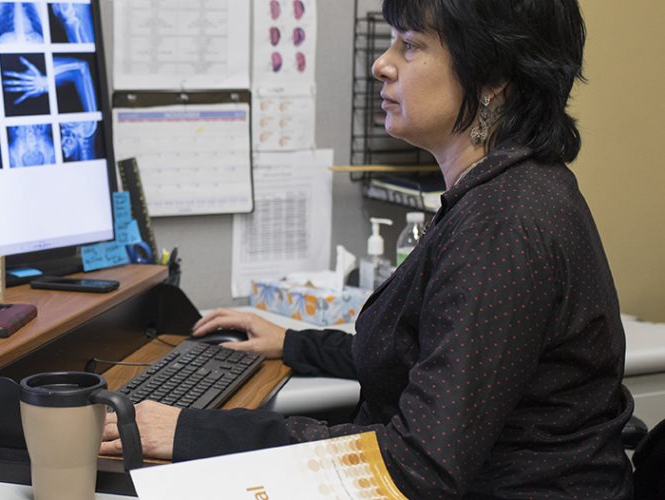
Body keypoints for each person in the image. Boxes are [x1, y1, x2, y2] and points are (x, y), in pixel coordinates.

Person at [101, 0, 634, 496]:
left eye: (411, 45)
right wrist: (294, 344)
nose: (382, 64)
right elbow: (429, 355)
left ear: (493, 76)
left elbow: (418, 464)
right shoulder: (508, 190)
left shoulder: (503, 219)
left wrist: (193, 432)